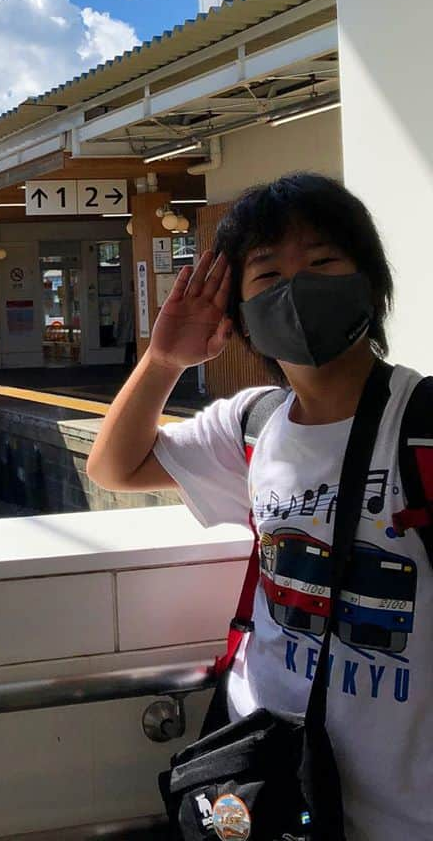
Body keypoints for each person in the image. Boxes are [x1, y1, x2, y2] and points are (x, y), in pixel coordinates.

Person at [86, 173, 431, 840]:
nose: (296, 290)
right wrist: (163, 359)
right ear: (239, 317)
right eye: (267, 275)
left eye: (324, 261)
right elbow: (115, 466)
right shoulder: (250, 424)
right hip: (263, 783)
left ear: (370, 282)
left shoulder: (423, 422)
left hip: (407, 811)